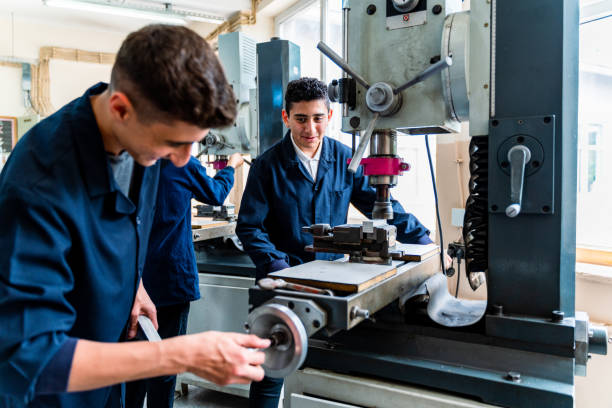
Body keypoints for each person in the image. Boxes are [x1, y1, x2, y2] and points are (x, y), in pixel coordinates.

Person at [0, 24, 268, 408]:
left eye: (193, 142)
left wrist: (134, 285)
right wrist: (185, 354)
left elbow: (120, 227)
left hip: (109, 377)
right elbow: (30, 357)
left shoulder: (140, 139)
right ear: (121, 109)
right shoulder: (39, 183)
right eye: (174, 143)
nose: (183, 159)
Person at [236, 77, 435, 408]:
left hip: (335, 282)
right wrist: (277, 265)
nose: (310, 128)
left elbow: (380, 205)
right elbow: (249, 227)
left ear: (329, 115)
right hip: (285, 281)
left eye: (317, 118)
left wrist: (422, 239)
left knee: (330, 368)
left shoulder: (346, 159)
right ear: (286, 117)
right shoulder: (266, 166)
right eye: (300, 119)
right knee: (271, 368)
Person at [125, 152, 244, 408]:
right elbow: (216, 193)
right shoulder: (183, 163)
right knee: (165, 367)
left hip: (132, 282)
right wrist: (231, 166)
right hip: (171, 279)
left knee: (131, 366)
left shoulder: (129, 162)